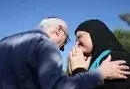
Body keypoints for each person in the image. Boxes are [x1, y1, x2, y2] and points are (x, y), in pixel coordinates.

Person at [0, 17, 130, 89]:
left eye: (79, 37)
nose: (63, 49)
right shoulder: (45, 44)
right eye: (70, 39)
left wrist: (80, 73)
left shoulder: (117, 58)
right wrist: (93, 74)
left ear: (96, 34)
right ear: (59, 30)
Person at [72, 19, 130, 89]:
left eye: (79, 37)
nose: (76, 43)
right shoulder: (91, 64)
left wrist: (79, 71)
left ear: (95, 33)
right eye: (75, 40)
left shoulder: (117, 58)